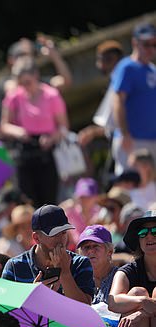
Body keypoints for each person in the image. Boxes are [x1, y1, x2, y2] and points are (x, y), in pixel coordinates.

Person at [0, 57, 68, 208]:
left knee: (48, 201)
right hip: (24, 152)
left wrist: (51, 138)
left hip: (46, 152)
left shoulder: (51, 95)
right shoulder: (14, 97)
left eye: (28, 82)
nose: (25, 87)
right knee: (27, 202)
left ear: (36, 76)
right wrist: (18, 132)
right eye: (21, 83)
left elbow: (63, 127)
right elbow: (4, 125)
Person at [2, 204, 95, 304]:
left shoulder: (80, 263)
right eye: (54, 234)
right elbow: (4, 310)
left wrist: (65, 274)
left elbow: (85, 308)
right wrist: (31, 296)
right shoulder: (14, 266)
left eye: (64, 233)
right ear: (36, 238)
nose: (61, 240)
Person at [108, 210, 156, 327]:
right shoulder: (129, 270)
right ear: (138, 239)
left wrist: (141, 313)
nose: (149, 236)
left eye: (155, 231)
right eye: (143, 232)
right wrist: (143, 302)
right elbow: (113, 301)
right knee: (137, 293)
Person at [111, 23, 156, 175]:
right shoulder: (126, 67)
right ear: (135, 43)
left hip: (151, 140)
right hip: (132, 140)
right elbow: (118, 102)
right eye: (147, 44)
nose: (151, 49)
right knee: (129, 184)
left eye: (154, 44)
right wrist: (124, 134)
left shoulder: (153, 70)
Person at [78, 40, 124, 147]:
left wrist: (92, 132)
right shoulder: (118, 81)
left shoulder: (119, 84)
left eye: (100, 60)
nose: (98, 64)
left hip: (125, 140)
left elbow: (111, 125)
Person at [77, 225, 117, 305]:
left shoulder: (120, 276)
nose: (91, 251)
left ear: (109, 252)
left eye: (96, 246)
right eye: (86, 247)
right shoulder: (77, 279)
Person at [62, 177, 102, 248]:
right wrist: (65, 205)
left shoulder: (100, 213)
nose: (84, 200)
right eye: (81, 196)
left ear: (96, 197)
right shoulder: (71, 212)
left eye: (88, 197)